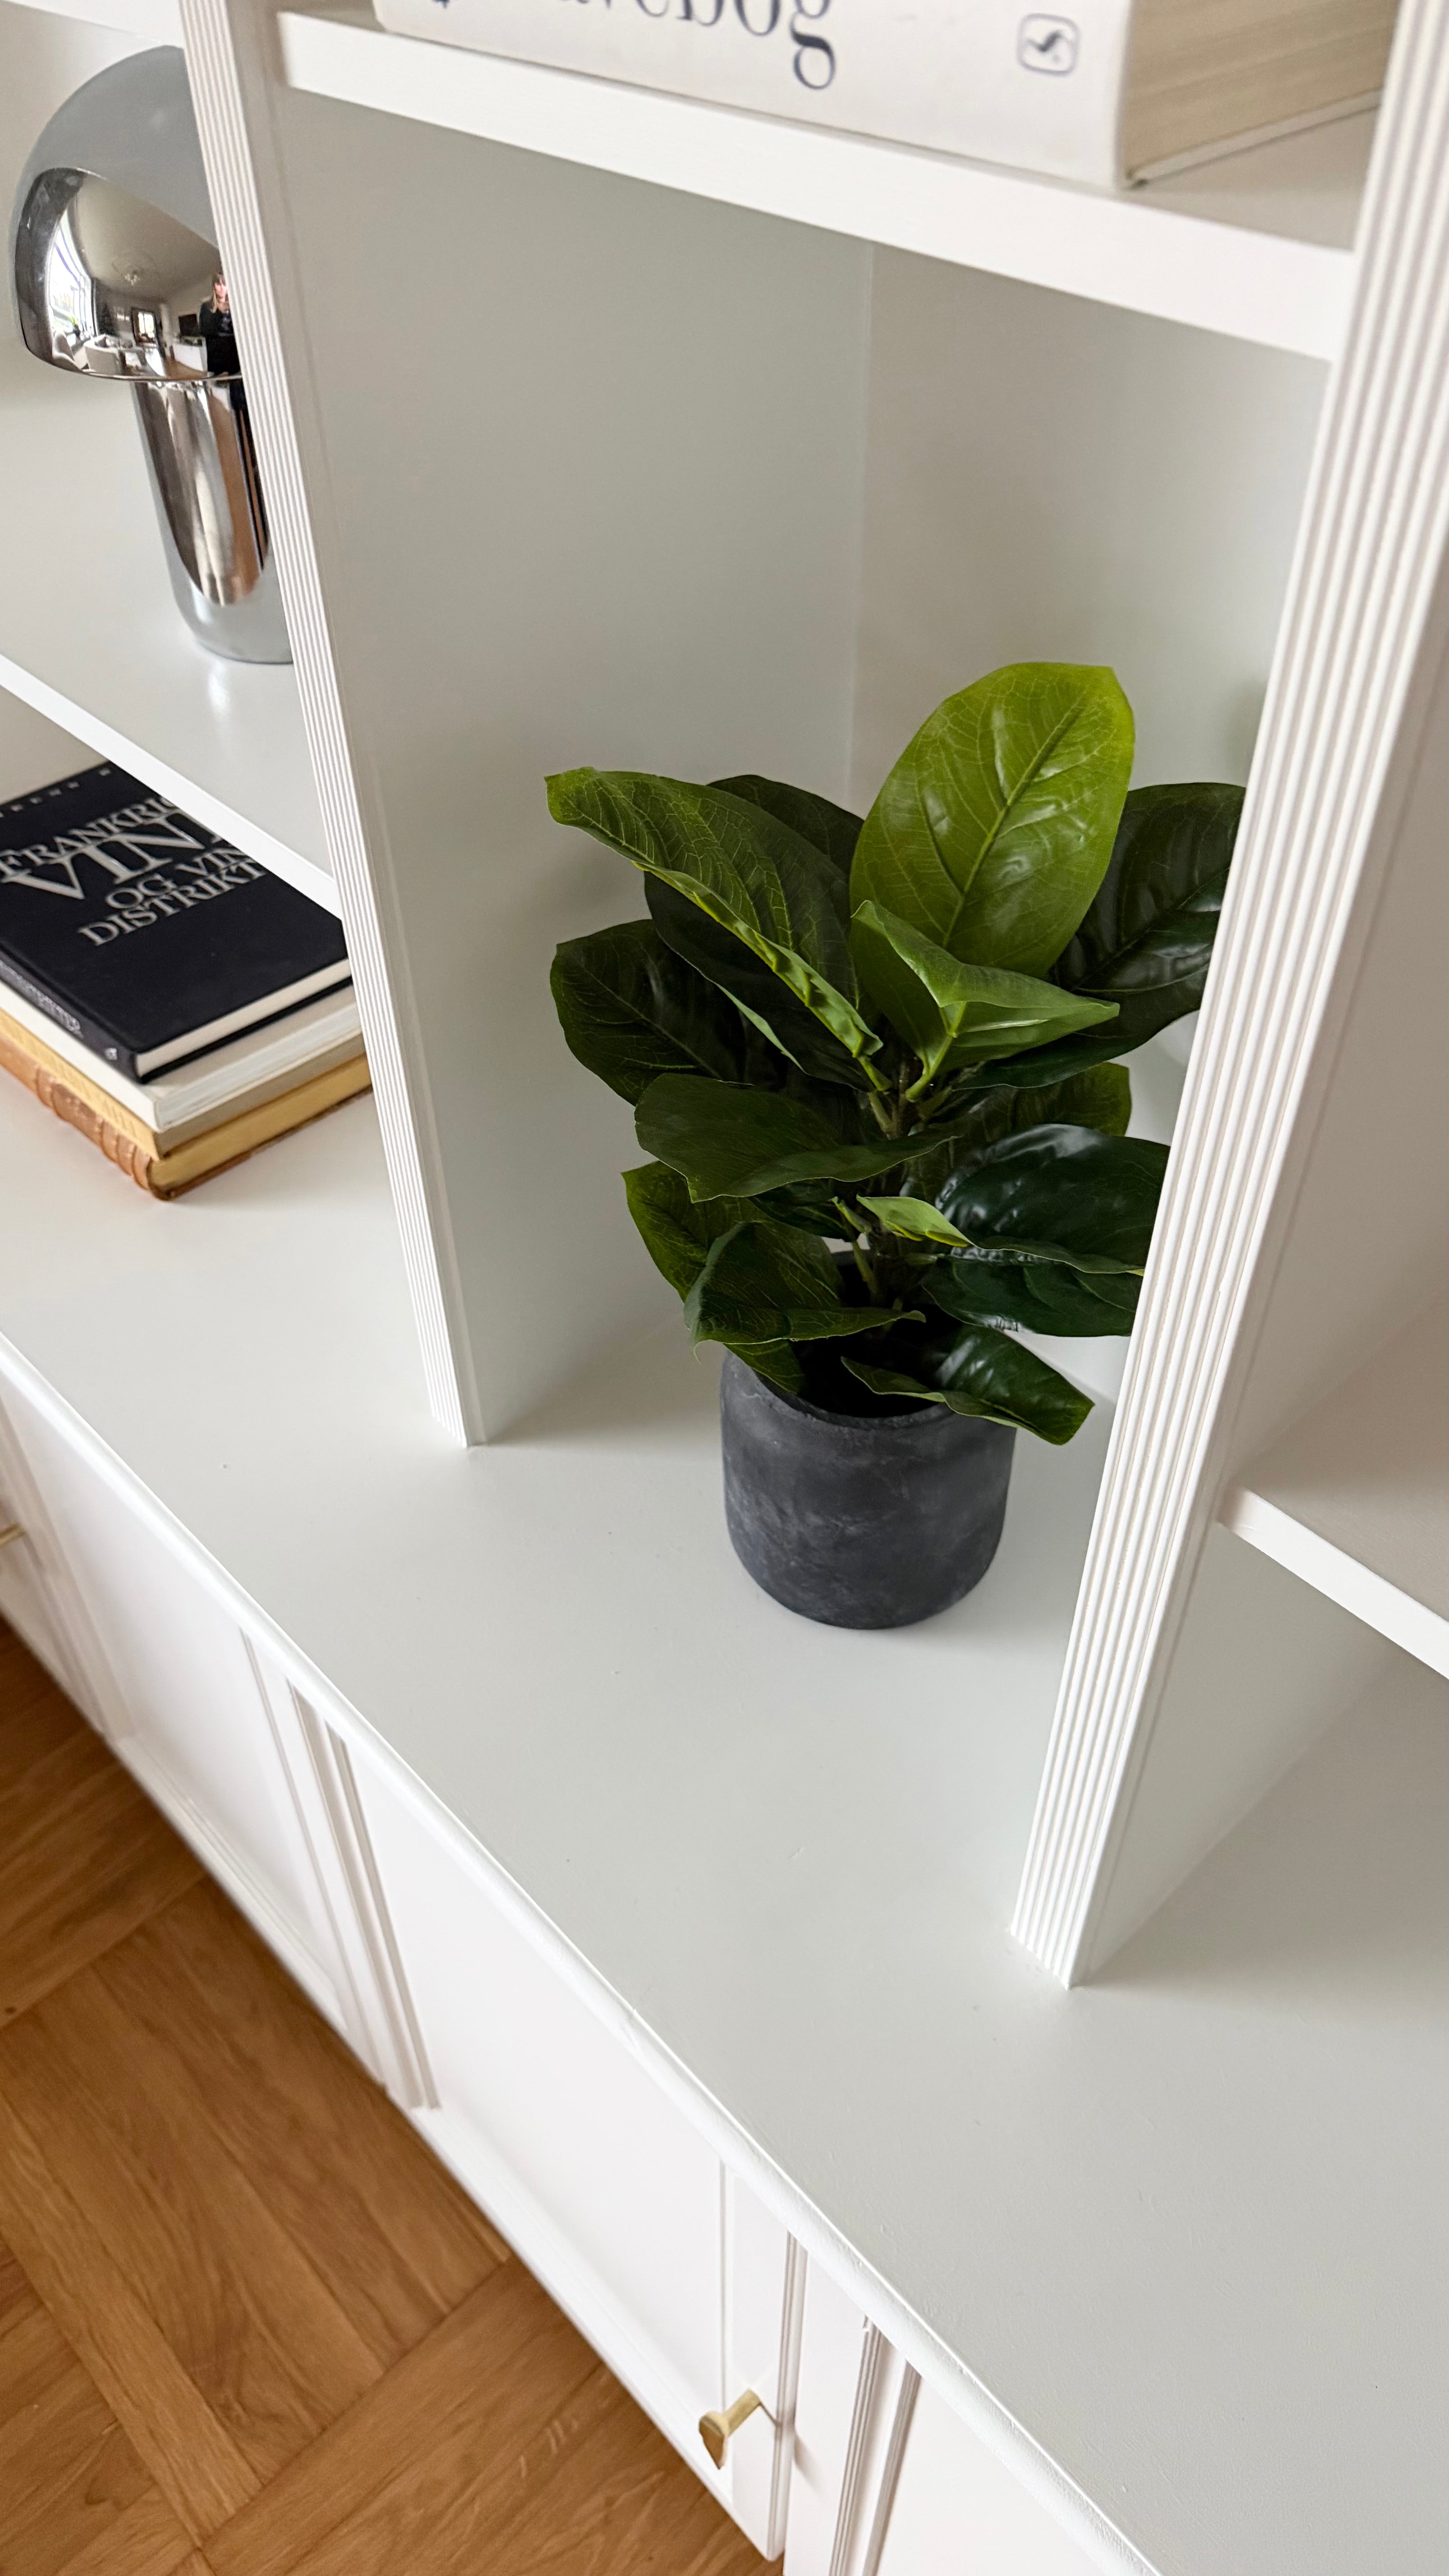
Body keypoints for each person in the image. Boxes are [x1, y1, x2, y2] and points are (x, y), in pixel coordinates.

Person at [198, 274, 239, 381]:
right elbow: (205, 330)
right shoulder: (207, 306)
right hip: (217, 356)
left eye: (224, 284)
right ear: (214, 286)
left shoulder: (234, 305)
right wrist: (220, 313)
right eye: (218, 284)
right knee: (220, 387)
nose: (222, 287)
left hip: (234, 355)